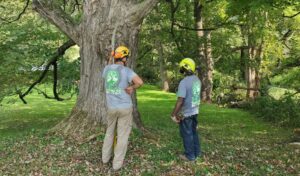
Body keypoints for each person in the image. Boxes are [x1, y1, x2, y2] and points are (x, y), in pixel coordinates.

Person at [102, 46, 143, 171]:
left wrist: (111, 57)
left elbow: (109, 67)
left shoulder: (106, 70)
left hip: (111, 108)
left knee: (109, 133)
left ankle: (105, 159)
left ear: (115, 56)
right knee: (122, 135)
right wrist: (131, 87)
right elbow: (140, 82)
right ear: (124, 58)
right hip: (124, 108)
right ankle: (117, 164)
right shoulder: (127, 71)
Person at [171, 58, 201, 161]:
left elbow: (180, 100)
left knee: (187, 134)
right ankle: (197, 153)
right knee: (193, 133)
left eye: (182, 68)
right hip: (195, 111)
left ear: (185, 68)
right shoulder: (197, 80)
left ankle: (190, 156)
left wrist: (173, 114)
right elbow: (195, 98)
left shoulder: (183, 82)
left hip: (186, 114)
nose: (182, 71)